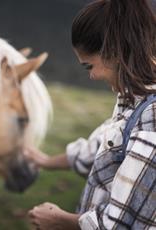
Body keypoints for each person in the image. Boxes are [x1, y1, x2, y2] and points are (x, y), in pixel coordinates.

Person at [25, 0, 156, 229]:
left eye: (89, 66)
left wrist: (58, 220)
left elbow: (119, 225)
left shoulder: (152, 118)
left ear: (114, 52)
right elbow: (99, 149)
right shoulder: (136, 101)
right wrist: (45, 161)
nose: (92, 76)